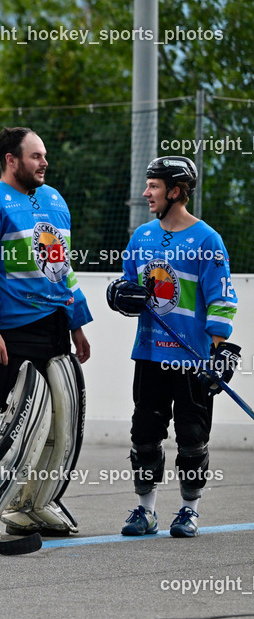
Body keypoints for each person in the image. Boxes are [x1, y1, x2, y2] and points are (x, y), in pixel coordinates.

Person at [0, 126, 92, 541]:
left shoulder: (54, 200)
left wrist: (77, 324)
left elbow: (63, 268)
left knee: (51, 421)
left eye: (44, 155)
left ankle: (30, 505)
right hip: (5, 330)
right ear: (11, 159)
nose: (44, 162)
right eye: (35, 156)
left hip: (53, 327)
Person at [107, 156, 238, 538]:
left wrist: (218, 350)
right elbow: (127, 286)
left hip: (193, 358)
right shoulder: (142, 236)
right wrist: (118, 295)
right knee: (145, 435)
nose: (146, 193)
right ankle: (145, 511)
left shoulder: (207, 239)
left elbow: (222, 298)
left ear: (176, 191)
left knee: (192, 438)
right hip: (150, 354)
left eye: (154, 186)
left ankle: (189, 510)